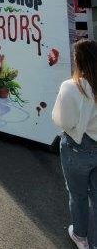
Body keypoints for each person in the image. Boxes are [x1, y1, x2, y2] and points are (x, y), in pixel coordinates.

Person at [52, 39, 97, 249]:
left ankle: (80, 237)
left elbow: (62, 120)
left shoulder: (71, 86)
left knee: (78, 195)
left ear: (78, 60)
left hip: (77, 149)